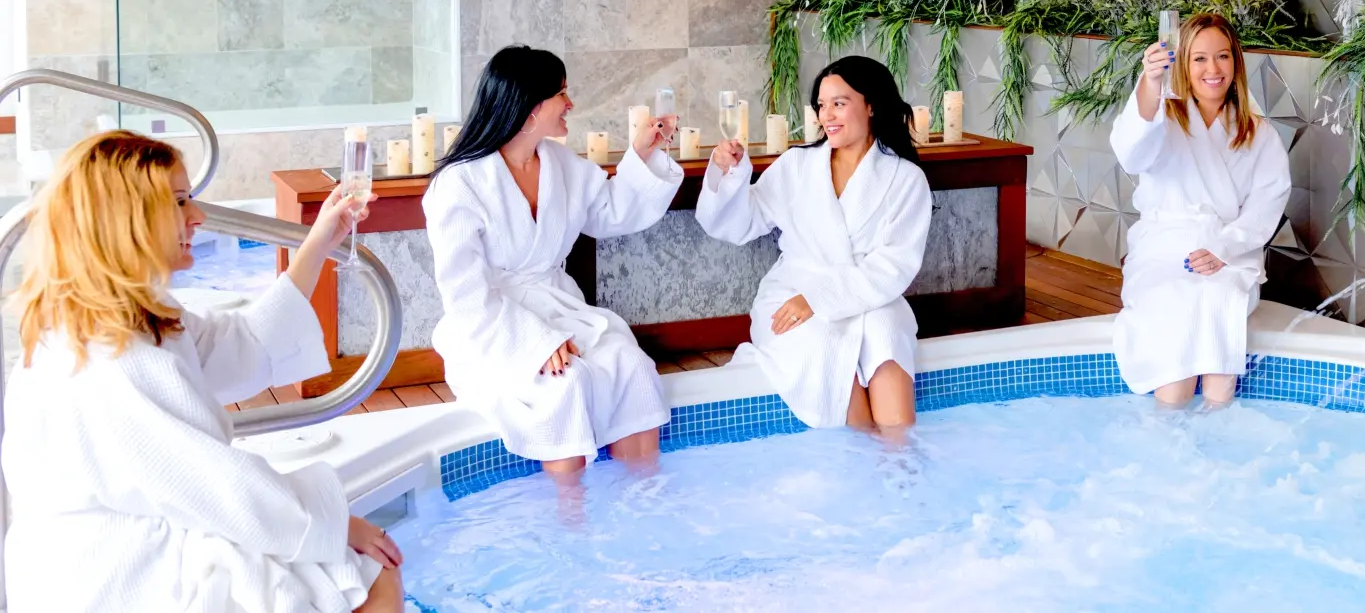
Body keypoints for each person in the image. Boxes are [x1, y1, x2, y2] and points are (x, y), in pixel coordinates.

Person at [3, 131, 403, 612]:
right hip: (117, 577)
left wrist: (320, 240)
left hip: (125, 543)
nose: (197, 216)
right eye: (178, 201)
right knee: (371, 578)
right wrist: (335, 524)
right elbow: (222, 488)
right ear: (126, 218)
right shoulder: (114, 359)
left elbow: (242, 344)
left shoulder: (112, 317)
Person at [423, 46, 683, 483]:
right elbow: (464, 295)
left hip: (561, 312)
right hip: (494, 328)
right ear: (529, 108)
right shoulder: (459, 184)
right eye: (562, 93)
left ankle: (642, 513)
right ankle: (568, 524)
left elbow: (611, 209)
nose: (571, 104)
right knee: (564, 386)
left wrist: (643, 153)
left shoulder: (559, 163)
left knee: (632, 366)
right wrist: (534, 343)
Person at [695, 56, 930, 435]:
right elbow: (740, 224)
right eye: (821, 105)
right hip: (792, 297)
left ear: (871, 105)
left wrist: (820, 298)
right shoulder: (797, 166)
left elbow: (894, 267)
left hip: (869, 297)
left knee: (887, 333)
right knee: (824, 345)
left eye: (839, 103)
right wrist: (730, 172)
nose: (827, 116)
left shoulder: (905, 179)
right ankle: (858, 463)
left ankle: (899, 467)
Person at [1110, 11, 1291, 409]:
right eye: (1200, 59)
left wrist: (1224, 249)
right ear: (1183, 65)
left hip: (1229, 253)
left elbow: (1268, 202)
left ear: (1236, 63)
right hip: (1164, 250)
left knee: (1218, 300)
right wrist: (1152, 81)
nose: (1214, 69)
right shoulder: (1163, 115)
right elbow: (1130, 153)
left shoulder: (1257, 131)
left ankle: (1214, 426)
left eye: (1224, 56)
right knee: (1176, 311)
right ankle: (1171, 428)